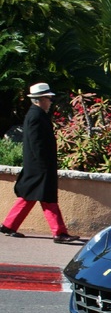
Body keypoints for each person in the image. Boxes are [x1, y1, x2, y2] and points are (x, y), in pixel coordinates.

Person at [1, 83, 79, 243]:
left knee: (29, 196)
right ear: (40, 99)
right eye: (48, 98)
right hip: (40, 166)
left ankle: (9, 225)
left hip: (37, 166)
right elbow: (37, 143)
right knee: (47, 198)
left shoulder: (36, 114)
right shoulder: (36, 116)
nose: (50, 101)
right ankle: (59, 233)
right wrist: (44, 166)